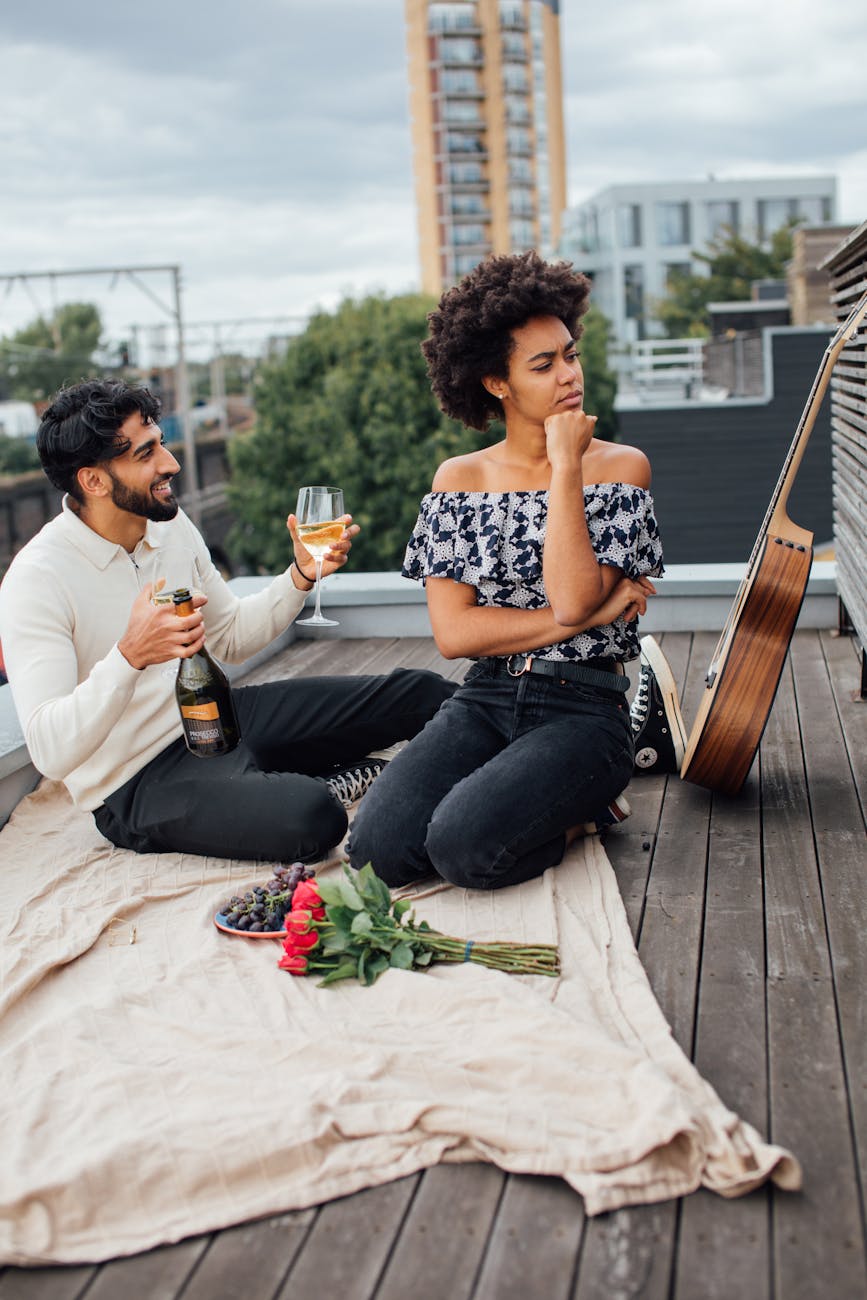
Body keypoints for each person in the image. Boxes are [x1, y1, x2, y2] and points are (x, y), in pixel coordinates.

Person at [0, 379, 454, 864]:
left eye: (162, 445)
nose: (170, 464)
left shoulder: (169, 525)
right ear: (93, 480)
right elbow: (49, 749)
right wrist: (129, 657)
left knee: (421, 693)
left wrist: (300, 575)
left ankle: (309, 777)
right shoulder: (36, 578)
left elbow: (233, 637)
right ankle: (318, 783)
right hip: (137, 782)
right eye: (146, 453)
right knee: (314, 816)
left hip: (219, 719)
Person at [348, 250, 669, 892]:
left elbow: (576, 599)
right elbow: (456, 636)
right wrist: (577, 616)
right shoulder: (459, 481)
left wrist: (566, 466)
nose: (569, 376)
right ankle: (553, 807)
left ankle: (584, 812)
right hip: (485, 695)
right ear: (496, 382)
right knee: (375, 853)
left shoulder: (620, 467)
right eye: (544, 365)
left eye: (570, 355)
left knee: (463, 848)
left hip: (584, 707)